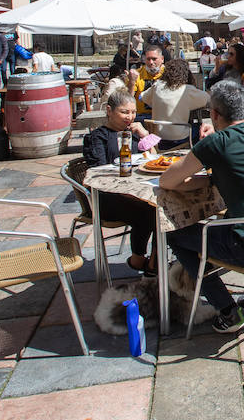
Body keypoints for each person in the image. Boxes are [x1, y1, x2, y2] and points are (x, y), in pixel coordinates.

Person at [159, 79, 244, 332]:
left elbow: (167, 180)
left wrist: (208, 145)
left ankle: (227, 309)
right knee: (237, 215)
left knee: (175, 236)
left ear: (213, 114)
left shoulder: (216, 144)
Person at [82, 88, 156, 273]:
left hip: (132, 192)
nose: (129, 117)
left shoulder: (132, 133)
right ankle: (140, 260)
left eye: (133, 112)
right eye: (124, 112)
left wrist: (145, 136)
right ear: (109, 110)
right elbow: (99, 171)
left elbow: (155, 160)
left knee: (160, 209)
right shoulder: (97, 137)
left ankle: (154, 261)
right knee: (149, 212)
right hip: (106, 198)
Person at [142, 57, 210, 149]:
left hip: (157, 137)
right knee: (201, 127)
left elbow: (141, 97)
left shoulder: (157, 86)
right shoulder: (187, 90)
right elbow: (207, 99)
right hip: (180, 137)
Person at [130, 44, 165, 116]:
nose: (151, 63)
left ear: (162, 59)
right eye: (148, 59)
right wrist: (131, 82)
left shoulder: (169, 74)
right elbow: (128, 100)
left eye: (154, 59)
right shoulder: (137, 74)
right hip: (141, 116)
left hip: (163, 115)